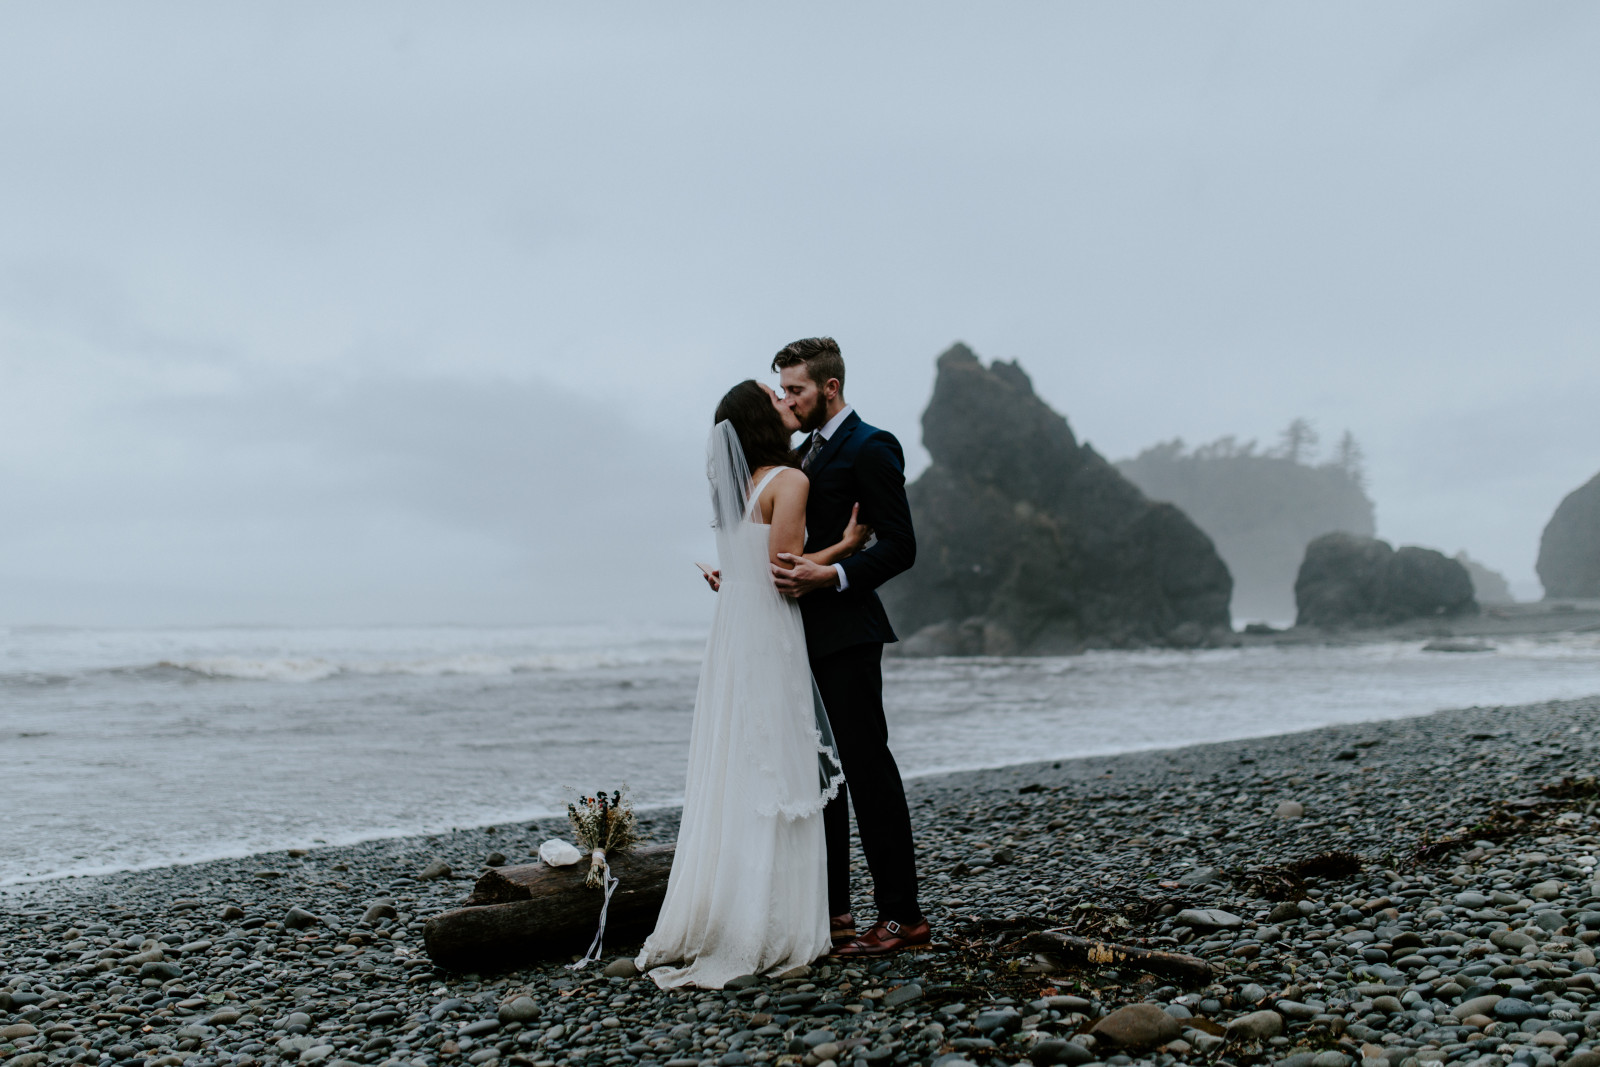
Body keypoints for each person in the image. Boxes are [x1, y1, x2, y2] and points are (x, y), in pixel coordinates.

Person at [636, 379, 869, 989]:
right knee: (782, 760)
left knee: (742, 760)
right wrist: (847, 543)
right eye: (774, 397)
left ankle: (730, 905)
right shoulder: (789, 482)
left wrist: (733, 576)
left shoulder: (732, 487)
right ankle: (776, 918)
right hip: (769, 631)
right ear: (759, 419)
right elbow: (786, 571)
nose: (785, 402)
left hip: (733, 633)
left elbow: (748, 565)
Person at [768, 337, 927, 957]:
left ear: (829, 388)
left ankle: (903, 917)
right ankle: (834, 913)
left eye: (797, 390)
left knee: (867, 773)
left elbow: (900, 545)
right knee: (822, 779)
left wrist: (830, 574)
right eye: (782, 389)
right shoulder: (801, 454)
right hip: (797, 637)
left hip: (850, 634)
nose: (789, 400)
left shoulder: (872, 445)